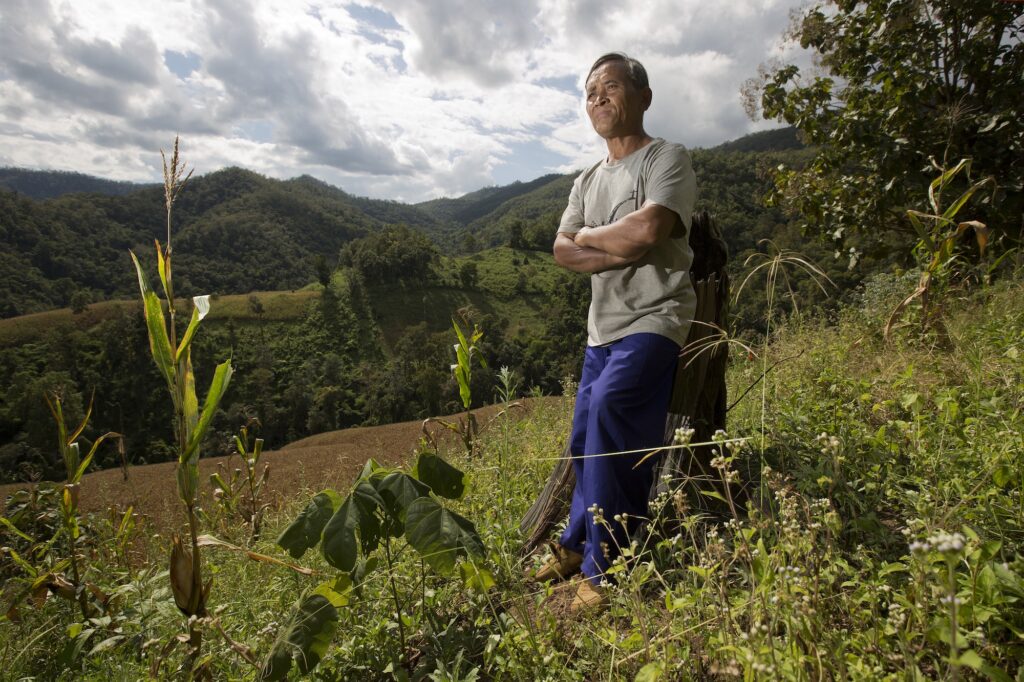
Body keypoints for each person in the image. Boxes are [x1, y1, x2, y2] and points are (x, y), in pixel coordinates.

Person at [535, 52, 697, 612]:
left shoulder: (666, 159)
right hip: (600, 331)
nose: (598, 98)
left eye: (611, 87)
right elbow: (561, 250)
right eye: (589, 92)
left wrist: (592, 239)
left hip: (656, 318)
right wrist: (618, 243)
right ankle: (577, 544)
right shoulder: (586, 179)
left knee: (608, 410)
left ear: (643, 96)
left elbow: (650, 229)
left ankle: (606, 570)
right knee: (585, 437)